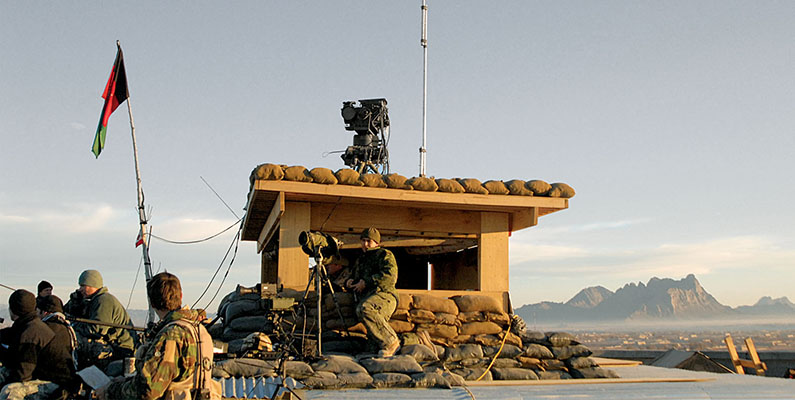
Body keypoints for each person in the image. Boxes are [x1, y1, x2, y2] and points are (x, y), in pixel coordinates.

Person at [98, 272, 221, 400]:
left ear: (152, 303)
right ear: (181, 296)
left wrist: (110, 391)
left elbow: (149, 390)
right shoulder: (200, 330)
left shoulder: (170, 335)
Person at [0, 290, 75, 399]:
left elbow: (22, 375)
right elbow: (9, 334)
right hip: (42, 374)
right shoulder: (30, 324)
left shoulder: (30, 333)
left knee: (9, 392)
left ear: (13, 309)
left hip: (56, 384)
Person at [346, 227, 400, 356]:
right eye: (363, 240)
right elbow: (354, 277)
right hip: (368, 296)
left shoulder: (384, 255)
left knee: (365, 309)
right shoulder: (361, 260)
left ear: (377, 243)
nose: (365, 244)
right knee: (371, 350)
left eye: (369, 241)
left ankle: (391, 341)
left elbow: (390, 276)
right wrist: (348, 282)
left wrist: (367, 282)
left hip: (384, 295)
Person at [64, 269, 136, 367]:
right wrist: (75, 303)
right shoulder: (91, 300)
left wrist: (74, 327)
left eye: (83, 286)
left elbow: (96, 330)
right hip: (112, 344)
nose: (80, 289)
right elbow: (67, 312)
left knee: (75, 339)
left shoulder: (104, 301)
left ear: (92, 285)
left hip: (120, 348)